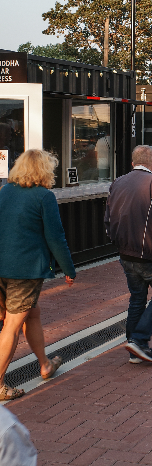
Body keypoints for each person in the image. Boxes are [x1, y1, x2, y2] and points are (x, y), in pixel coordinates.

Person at [0, 149, 76, 400]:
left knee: (32, 313)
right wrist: (68, 269)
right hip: (25, 270)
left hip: (1, 266)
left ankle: (44, 364)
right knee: (11, 326)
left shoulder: (6, 191)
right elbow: (55, 237)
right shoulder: (44, 197)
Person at [104, 145, 152, 364]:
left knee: (137, 297)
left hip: (125, 253)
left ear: (132, 163)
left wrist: (117, 242)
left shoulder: (117, 183)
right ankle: (138, 340)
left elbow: (108, 219)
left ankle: (135, 348)